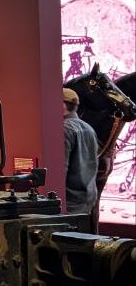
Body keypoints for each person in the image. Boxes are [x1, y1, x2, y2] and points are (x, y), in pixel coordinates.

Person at [62, 88, 99, 225]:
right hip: (87, 200)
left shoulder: (64, 129)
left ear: (63, 105)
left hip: (70, 202)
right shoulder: (89, 128)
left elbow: (61, 169)